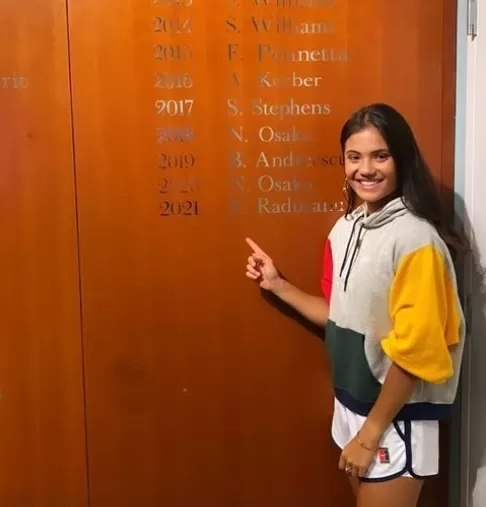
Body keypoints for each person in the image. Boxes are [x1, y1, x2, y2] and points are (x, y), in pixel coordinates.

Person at [244, 103, 467, 507]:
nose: (366, 169)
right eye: (354, 157)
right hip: (351, 406)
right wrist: (278, 286)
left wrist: (369, 435)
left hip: (394, 417)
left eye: (380, 156)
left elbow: (417, 351)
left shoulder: (416, 240)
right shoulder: (345, 228)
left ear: (402, 160)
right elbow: (340, 317)